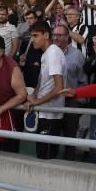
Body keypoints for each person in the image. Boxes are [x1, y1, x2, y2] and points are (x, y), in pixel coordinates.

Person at [24, 21, 65, 160]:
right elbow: (42, 82)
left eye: (35, 36)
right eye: (31, 36)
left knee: (45, 158)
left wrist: (36, 102)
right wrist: (33, 96)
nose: (32, 39)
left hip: (51, 114)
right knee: (42, 155)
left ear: (46, 35)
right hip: (45, 112)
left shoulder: (53, 52)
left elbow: (59, 87)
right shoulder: (46, 54)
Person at [52, 24, 86, 161]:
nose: (56, 38)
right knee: (51, 138)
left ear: (67, 37)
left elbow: (83, 81)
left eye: (60, 35)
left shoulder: (77, 55)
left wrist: (78, 101)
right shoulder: (48, 52)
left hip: (70, 103)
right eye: (54, 35)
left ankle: (69, 164)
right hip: (52, 101)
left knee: (69, 140)